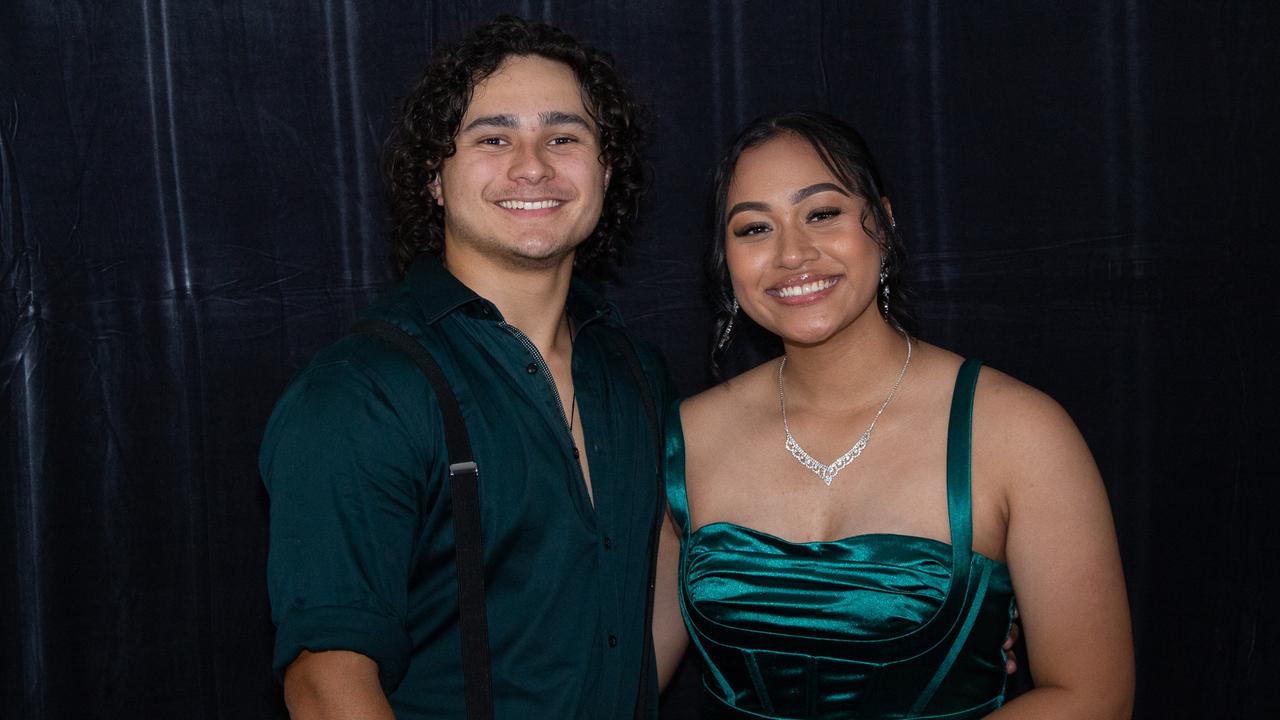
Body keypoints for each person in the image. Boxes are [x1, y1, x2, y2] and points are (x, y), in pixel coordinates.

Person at [652, 111, 1134, 718]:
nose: (792, 253)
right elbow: (617, 670)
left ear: (881, 221)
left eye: (821, 214)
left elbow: (1094, 698)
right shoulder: (687, 437)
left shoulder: (1018, 433)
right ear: (725, 258)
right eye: (753, 228)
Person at [260, 17, 670, 719]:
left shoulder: (634, 370)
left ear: (604, 172)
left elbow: (647, 594)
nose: (533, 165)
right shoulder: (361, 394)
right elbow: (327, 686)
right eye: (494, 137)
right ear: (435, 179)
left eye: (564, 136)